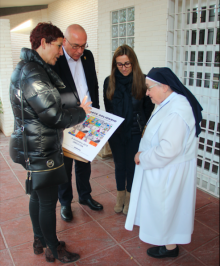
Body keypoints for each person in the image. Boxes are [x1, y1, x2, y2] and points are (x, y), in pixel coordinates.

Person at [9, 22, 92, 264]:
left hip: (33, 144)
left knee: (37, 195)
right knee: (47, 201)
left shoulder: (28, 67)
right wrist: (81, 112)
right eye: (58, 45)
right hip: (41, 147)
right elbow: (53, 115)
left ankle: (39, 239)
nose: (60, 50)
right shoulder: (33, 71)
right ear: (43, 43)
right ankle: (52, 248)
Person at [125, 67, 203, 258]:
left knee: (166, 208)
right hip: (164, 168)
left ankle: (169, 247)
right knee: (167, 209)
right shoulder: (169, 101)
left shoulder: (177, 111)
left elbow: (169, 150)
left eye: (149, 88)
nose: (147, 93)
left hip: (168, 170)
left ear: (165, 87)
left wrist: (142, 157)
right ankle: (169, 245)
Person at [51, 24, 103, 222]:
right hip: (67, 119)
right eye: (75, 46)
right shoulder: (56, 59)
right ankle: (65, 203)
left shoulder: (87, 56)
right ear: (64, 41)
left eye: (83, 46)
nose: (80, 51)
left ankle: (85, 195)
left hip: (88, 118)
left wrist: (96, 112)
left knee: (85, 161)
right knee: (65, 166)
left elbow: (94, 84)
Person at [103, 45, 154, 215]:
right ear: (114, 64)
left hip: (134, 132)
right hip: (116, 132)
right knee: (119, 165)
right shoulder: (109, 82)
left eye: (127, 64)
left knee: (132, 165)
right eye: (119, 64)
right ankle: (120, 196)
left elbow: (147, 108)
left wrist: (138, 124)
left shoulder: (142, 80)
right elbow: (109, 108)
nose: (123, 68)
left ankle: (130, 198)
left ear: (133, 63)